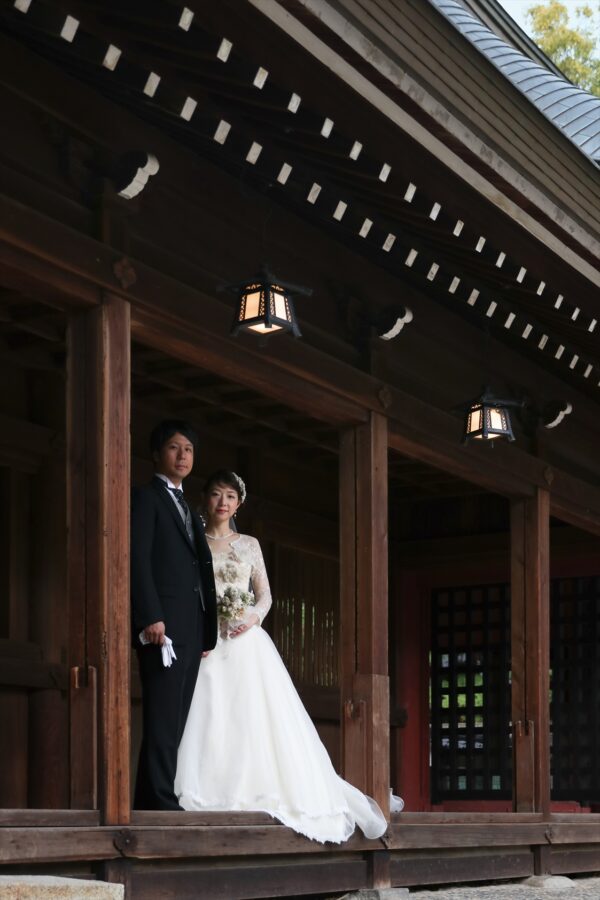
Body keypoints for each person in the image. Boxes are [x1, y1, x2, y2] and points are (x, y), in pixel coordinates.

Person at [175, 469, 391, 843]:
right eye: (215, 494)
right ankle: (207, 789)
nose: (222, 502)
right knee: (210, 713)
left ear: (238, 503)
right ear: (204, 499)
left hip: (246, 641)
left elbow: (266, 596)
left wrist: (250, 617)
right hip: (208, 641)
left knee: (253, 714)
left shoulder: (249, 544)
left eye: (229, 496)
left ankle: (257, 789)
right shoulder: (193, 541)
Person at [131, 421, 217, 810]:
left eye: (189, 449)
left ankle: (155, 796)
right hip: (161, 627)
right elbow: (138, 559)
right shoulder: (146, 498)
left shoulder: (189, 507)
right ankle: (158, 801)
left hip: (192, 627)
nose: (182, 456)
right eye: (173, 448)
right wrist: (151, 615)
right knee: (162, 717)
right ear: (156, 454)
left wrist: (205, 629)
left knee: (178, 717)